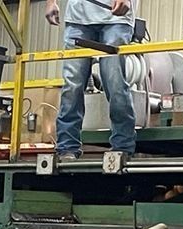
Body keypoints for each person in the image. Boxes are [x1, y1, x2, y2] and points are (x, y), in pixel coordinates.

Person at [47, 0, 137, 159]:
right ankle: (67, 146)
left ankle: (122, 146)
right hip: (78, 17)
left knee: (114, 81)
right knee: (72, 85)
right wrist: (51, 2)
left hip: (115, 17)